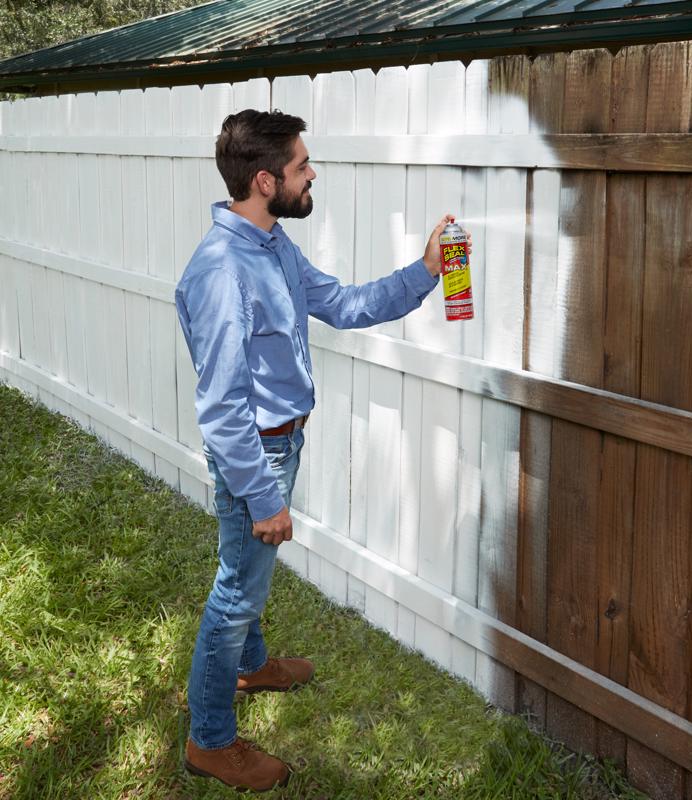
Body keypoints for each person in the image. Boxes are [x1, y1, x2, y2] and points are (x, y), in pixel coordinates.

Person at [175, 108, 468, 792]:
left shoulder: (273, 245)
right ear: (265, 180)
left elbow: (344, 303)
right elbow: (222, 409)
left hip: (283, 441)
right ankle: (210, 740)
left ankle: (250, 667)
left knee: (243, 573)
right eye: (302, 167)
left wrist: (427, 270)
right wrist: (264, 494)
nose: (313, 175)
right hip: (258, 453)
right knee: (234, 593)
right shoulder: (222, 271)